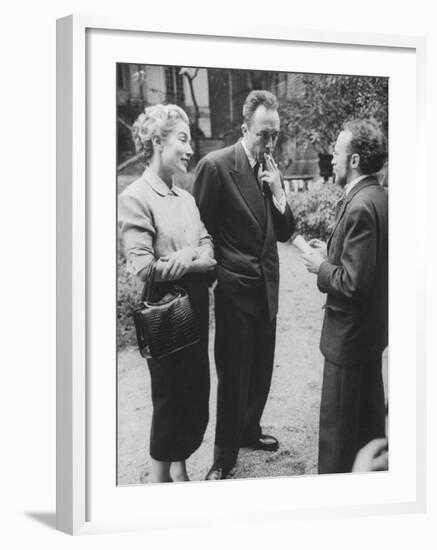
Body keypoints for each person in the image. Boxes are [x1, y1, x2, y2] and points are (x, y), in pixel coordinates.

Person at [193, 90, 295, 480]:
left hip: (267, 288)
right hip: (236, 293)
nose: (270, 143)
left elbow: (284, 232)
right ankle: (223, 456)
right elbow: (201, 229)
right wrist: (222, 274)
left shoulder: (271, 169)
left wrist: (278, 193)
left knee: (261, 371)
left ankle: (249, 430)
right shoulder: (216, 166)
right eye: (263, 135)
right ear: (244, 128)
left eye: (275, 135)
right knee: (234, 376)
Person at [118, 104, 216, 483]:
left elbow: (209, 251)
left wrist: (188, 254)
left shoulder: (187, 198)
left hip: (194, 309)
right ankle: (160, 488)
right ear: (158, 141)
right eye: (183, 138)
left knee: (193, 398)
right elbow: (143, 266)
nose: (191, 148)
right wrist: (193, 260)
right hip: (163, 313)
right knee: (169, 403)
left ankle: (181, 469)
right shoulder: (135, 197)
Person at [303, 119, 388, 474]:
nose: (331, 159)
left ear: (353, 160)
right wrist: (332, 253)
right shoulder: (378, 197)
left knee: (338, 441)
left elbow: (353, 284)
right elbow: (367, 266)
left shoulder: (360, 206)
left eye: (336, 152)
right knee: (368, 428)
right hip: (368, 339)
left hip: (348, 342)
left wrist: (321, 266)